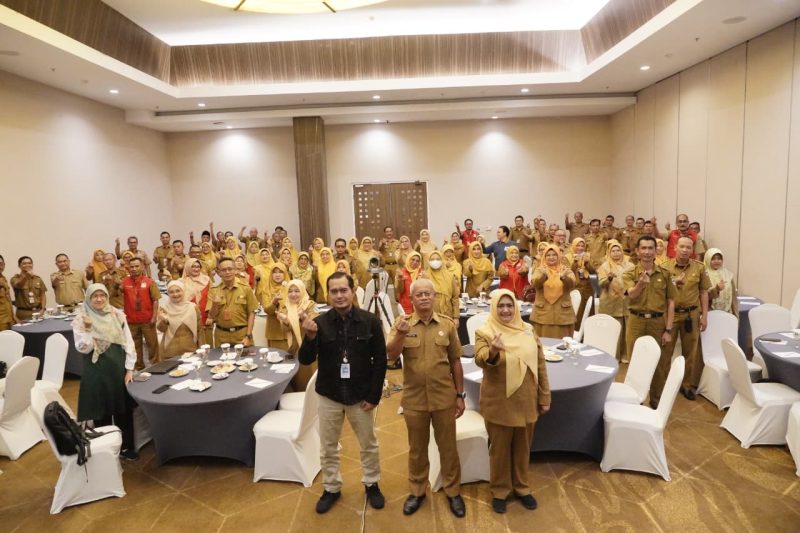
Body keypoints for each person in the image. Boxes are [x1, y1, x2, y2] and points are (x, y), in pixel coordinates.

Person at [299, 272, 387, 514]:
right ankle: (331, 487)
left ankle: (372, 484)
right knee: (328, 446)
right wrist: (310, 337)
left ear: (352, 291)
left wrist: (374, 395)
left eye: (343, 290)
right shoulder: (320, 323)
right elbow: (305, 359)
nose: (339, 295)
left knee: (368, 444)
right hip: (330, 394)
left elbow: (380, 360)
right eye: (334, 291)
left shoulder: (370, 321)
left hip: (360, 395)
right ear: (328, 294)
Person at [386, 278, 466, 518]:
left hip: (444, 397)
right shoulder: (402, 324)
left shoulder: (447, 325)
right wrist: (400, 335)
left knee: (448, 447)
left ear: (434, 297)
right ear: (411, 299)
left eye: (427, 294)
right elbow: (391, 355)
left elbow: (456, 361)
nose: (423, 297)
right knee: (417, 449)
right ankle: (417, 491)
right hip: (414, 399)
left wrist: (460, 395)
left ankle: (453, 491)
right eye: (418, 294)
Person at [474, 289, 550, 514]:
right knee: (499, 451)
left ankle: (522, 487)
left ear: (515, 308)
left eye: (509, 305)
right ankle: (500, 490)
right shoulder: (485, 331)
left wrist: (544, 396)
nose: (505, 310)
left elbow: (540, 365)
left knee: (522, 449)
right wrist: (493, 351)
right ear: (494, 308)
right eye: (501, 306)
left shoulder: (528, 330)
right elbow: (480, 358)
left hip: (526, 400)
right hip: (499, 402)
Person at [72, 284, 138, 460]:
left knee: (123, 410)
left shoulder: (116, 314)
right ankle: (106, 450)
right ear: (89, 298)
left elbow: (128, 342)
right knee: (101, 411)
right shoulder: (81, 318)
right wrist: (88, 329)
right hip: (96, 370)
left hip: (118, 368)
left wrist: (129, 368)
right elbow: (83, 348)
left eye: (102, 295)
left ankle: (127, 447)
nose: (99, 299)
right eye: (95, 296)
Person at [622, 236, 676, 407]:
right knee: (635, 361)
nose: (647, 252)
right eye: (643, 248)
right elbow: (631, 294)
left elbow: (671, 302)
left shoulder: (665, 274)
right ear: (637, 251)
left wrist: (668, 330)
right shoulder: (629, 273)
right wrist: (640, 284)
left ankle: (656, 402)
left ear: (656, 250)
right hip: (636, 321)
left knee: (659, 363)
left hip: (657, 322)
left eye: (650, 248)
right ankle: (634, 400)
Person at [660, 236, 710, 402]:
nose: (685, 250)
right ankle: (664, 384)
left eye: (688, 247)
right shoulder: (664, 267)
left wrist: (704, 315)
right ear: (675, 247)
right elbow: (660, 292)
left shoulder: (699, 267)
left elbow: (703, 292)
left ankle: (687, 385)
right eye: (681, 246)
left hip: (691, 315)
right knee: (666, 351)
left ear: (692, 250)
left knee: (690, 352)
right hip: (671, 315)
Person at [277, 279, 319, 390]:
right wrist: (285, 321)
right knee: (294, 378)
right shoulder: (284, 306)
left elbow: (314, 324)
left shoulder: (309, 305)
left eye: (297, 291)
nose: (293, 294)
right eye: (290, 291)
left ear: (302, 291)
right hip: (292, 347)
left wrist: (304, 318)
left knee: (307, 377)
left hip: (306, 345)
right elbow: (284, 330)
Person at [206, 258, 258, 347]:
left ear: (235, 270)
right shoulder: (214, 290)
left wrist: (248, 336)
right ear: (219, 272)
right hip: (221, 336)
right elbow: (211, 316)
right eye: (223, 270)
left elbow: (252, 313)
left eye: (230, 269)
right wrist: (215, 304)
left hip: (241, 334)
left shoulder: (245, 288)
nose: (227, 272)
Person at [121, 257, 160, 370]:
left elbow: (155, 300)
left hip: (148, 320)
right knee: (135, 346)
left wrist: (154, 317)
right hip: (131, 320)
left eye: (137, 266)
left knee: (152, 344)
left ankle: (155, 366)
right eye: (131, 267)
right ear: (128, 268)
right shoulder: (124, 282)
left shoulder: (149, 282)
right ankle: (139, 367)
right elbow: (115, 294)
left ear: (142, 267)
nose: (134, 269)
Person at [530, 244, 576, 338]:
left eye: (554, 255)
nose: (551, 257)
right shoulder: (540, 270)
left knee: (562, 343)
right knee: (543, 343)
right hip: (543, 315)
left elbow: (572, 285)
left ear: (559, 256)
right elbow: (534, 284)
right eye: (548, 255)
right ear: (544, 256)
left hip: (563, 316)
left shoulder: (565, 270)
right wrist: (544, 276)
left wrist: (564, 277)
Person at [597, 241, 633, 361]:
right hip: (610, 302)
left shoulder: (630, 266)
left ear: (622, 252)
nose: (616, 253)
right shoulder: (604, 266)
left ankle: (625, 356)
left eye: (618, 250)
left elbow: (634, 281)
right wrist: (609, 278)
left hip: (626, 301)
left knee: (627, 331)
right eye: (613, 251)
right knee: (612, 331)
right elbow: (601, 284)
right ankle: (612, 356)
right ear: (609, 252)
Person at [156, 280, 200, 358]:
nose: (175, 294)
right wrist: (164, 320)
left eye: (178, 291)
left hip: (190, 349)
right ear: (168, 293)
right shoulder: (164, 308)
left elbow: (200, 330)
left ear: (183, 291)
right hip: (169, 351)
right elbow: (161, 330)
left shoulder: (192, 307)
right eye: (171, 292)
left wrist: (202, 348)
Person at [423, 250, 460, 325]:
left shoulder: (450, 276)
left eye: (438, 259)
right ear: (428, 261)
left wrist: (456, 317)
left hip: (447, 314)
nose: (435, 261)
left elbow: (455, 297)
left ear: (442, 260)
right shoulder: (424, 276)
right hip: (429, 316)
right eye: (432, 259)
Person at [258, 263, 290, 349]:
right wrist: (274, 302)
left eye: (280, 272)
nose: (277, 275)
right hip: (275, 331)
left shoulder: (291, 287)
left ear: (285, 273)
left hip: (290, 328)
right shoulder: (266, 289)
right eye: (275, 272)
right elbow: (267, 310)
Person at [565, 239, 595, 330]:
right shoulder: (567, 257)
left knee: (588, 311)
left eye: (582, 246)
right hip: (574, 287)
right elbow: (567, 272)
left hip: (587, 287)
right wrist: (574, 262)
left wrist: (587, 263)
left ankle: (587, 333)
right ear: (573, 246)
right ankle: (575, 332)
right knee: (577, 312)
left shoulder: (588, 256)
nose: (580, 248)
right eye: (578, 245)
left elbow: (594, 272)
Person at [182, 258, 212, 345]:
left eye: (198, 267)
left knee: (207, 344)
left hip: (205, 316)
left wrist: (210, 315)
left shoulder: (206, 280)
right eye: (193, 267)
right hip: (188, 317)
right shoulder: (182, 282)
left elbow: (211, 298)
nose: (196, 269)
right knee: (192, 345)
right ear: (188, 267)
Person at [10, 256, 46, 321]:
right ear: (19, 266)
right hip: (23, 313)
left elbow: (43, 294)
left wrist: (43, 309)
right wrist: (26, 277)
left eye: (29, 263)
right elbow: (19, 285)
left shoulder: (37, 278)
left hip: (38, 312)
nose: (27, 265)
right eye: (24, 263)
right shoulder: (15, 279)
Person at [704, 248, 738, 316]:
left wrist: (736, 315)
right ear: (708, 259)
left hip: (727, 312)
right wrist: (716, 289)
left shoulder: (728, 274)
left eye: (719, 258)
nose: (716, 261)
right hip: (709, 313)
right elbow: (703, 296)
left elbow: (733, 297)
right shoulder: (703, 274)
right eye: (713, 259)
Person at [0, 255, 16, 330]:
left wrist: (14, 317)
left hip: (9, 319)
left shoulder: (3, 279)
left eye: (1, 264)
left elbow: (7, 300)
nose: (0, 266)